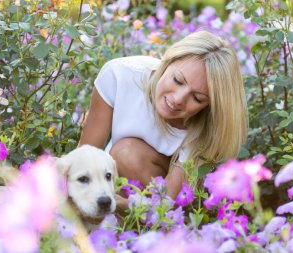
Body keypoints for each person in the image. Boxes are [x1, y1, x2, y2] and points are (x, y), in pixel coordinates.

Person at [78, 30, 248, 210]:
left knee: (125, 154)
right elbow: (85, 158)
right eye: (177, 80)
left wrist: (124, 206)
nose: (178, 99)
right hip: (113, 179)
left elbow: (169, 202)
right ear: (168, 61)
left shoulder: (206, 126)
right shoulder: (120, 76)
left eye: (197, 98)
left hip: (163, 203)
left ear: (209, 105)